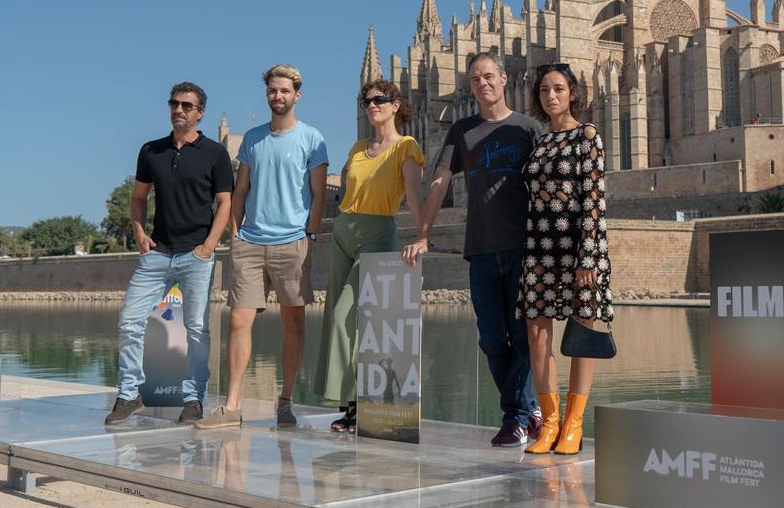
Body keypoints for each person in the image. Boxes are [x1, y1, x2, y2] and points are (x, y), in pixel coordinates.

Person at [402, 52, 542, 447]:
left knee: (524, 337)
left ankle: (515, 418)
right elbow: (439, 183)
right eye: (475, 79)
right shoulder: (461, 131)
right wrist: (423, 233)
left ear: (504, 78)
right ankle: (529, 409)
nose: (483, 84)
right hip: (480, 250)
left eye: (488, 76)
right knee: (492, 340)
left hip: (523, 249)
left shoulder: (528, 128)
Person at [196, 65, 329, 430]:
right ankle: (232, 406)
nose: (278, 96)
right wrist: (236, 233)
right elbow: (240, 190)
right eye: (272, 90)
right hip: (250, 243)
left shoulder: (312, 138)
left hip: (293, 243)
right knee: (239, 321)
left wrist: (310, 235)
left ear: (297, 95)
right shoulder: (252, 139)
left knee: (294, 323)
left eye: (284, 90)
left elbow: (319, 195)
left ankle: (285, 402)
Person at [105, 83, 233, 426]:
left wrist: (208, 246)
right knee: (129, 321)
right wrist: (139, 232)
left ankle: (193, 400)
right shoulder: (151, 151)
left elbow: (225, 203)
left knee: (197, 329)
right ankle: (129, 394)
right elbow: (138, 197)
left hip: (196, 255)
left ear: (200, 113)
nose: (179, 110)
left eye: (187, 105)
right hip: (157, 253)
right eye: (174, 104)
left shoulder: (215, 153)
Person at [314, 79, 424, 432]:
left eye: (379, 99)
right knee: (337, 315)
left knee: (355, 317)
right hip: (343, 232)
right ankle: (350, 402)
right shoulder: (358, 147)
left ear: (396, 105)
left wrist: (422, 235)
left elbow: (413, 195)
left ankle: (366, 400)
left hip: (378, 234)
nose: (372, 105)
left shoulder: (406, 146)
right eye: (367, 101)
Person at [519, 63, 613, 454]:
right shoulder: (540, 143)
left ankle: (573, 425)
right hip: (540, 246)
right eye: (544, 90)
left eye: (558, 88)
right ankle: (550, 424)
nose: (551, 96)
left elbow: (594, 199)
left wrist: (587, 258)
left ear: (572, 93)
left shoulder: (587, 136)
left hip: (579, 248)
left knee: (581, 333)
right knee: (537, 334)